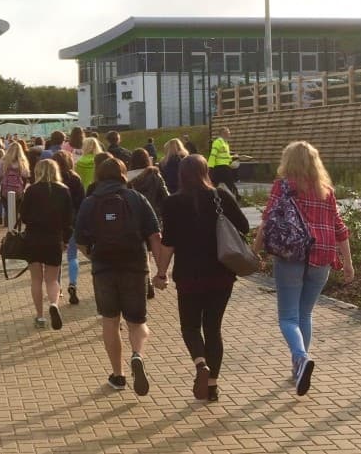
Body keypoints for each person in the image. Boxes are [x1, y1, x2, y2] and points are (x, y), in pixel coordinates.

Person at [252, 140, 354, 396]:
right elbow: (340, 228)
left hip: (291, 255)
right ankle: (298, 367)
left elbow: (267, 220)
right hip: (323, 255)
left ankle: (300, 358)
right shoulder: (326, 191)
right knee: (305, 314)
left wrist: (255, 250)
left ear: (288, 161)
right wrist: (348, 263)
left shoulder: (283, 186)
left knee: (288, 317)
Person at [155, 154, 249, 402]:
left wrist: (161, 273)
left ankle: (200, 364)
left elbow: (168, 243)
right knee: (213, 329)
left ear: (181, 175)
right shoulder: (221, 196)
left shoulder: (173, 203)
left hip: (188, 275)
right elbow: (244, 226)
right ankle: (213, 386)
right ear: (206, 171)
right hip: (221, 273)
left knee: (190, 326)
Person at [75, 158, 167, 395]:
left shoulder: (90, 202)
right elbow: (155, 236)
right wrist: (161, 272)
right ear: (123, 174)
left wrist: (94, 256)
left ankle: (118, 375)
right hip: (134, 266)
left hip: (104, 268)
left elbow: (80, 240)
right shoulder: (136, 199)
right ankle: (137, 354)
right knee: (137, 322)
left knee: (110, 321)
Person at [20, 159, 74, 329]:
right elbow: (68, 220)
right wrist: (65, 240)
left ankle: (40, 316)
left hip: (33, 238)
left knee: (36, 279)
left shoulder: (31, 190)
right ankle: (54, 304)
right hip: (54, 238)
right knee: (52, 279)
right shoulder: (64, 191)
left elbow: (24, 216)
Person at [128, 148, 170, 300]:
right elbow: (166, 197)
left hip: (133, 219)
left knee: (141, 250)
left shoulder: (127, 177)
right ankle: (151, 278)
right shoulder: (154, 175)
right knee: (151, 247)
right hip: (153, 218)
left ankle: (145, 280)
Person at [51, 150, 85, 305]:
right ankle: (73, 283)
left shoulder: (52, 180)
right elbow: (82, 203)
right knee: (72, 256)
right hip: (73, 222)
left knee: (56, 257)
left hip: (56, 224)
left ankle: (57, 288)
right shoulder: (76, 179)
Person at [0, 141, 30, 228]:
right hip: (18, 190)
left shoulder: (3, 161)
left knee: (8, 210)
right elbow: (26, 175)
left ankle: (9, 228)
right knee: (17, 211)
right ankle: (16, 229)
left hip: (5, 189)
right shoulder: (22, 162)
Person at [208, 126, 240, 203]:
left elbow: (225, 156)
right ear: (223, 133)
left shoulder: (225, 143)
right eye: (228, 132)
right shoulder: (218, 142)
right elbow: (213, 155)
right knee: (229, 183)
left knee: (213, 185)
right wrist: (210, 167)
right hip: (220, 167)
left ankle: (208, 199)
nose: (230, 134)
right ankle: (237, 198)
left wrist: (234, 157)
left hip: (223, 167)